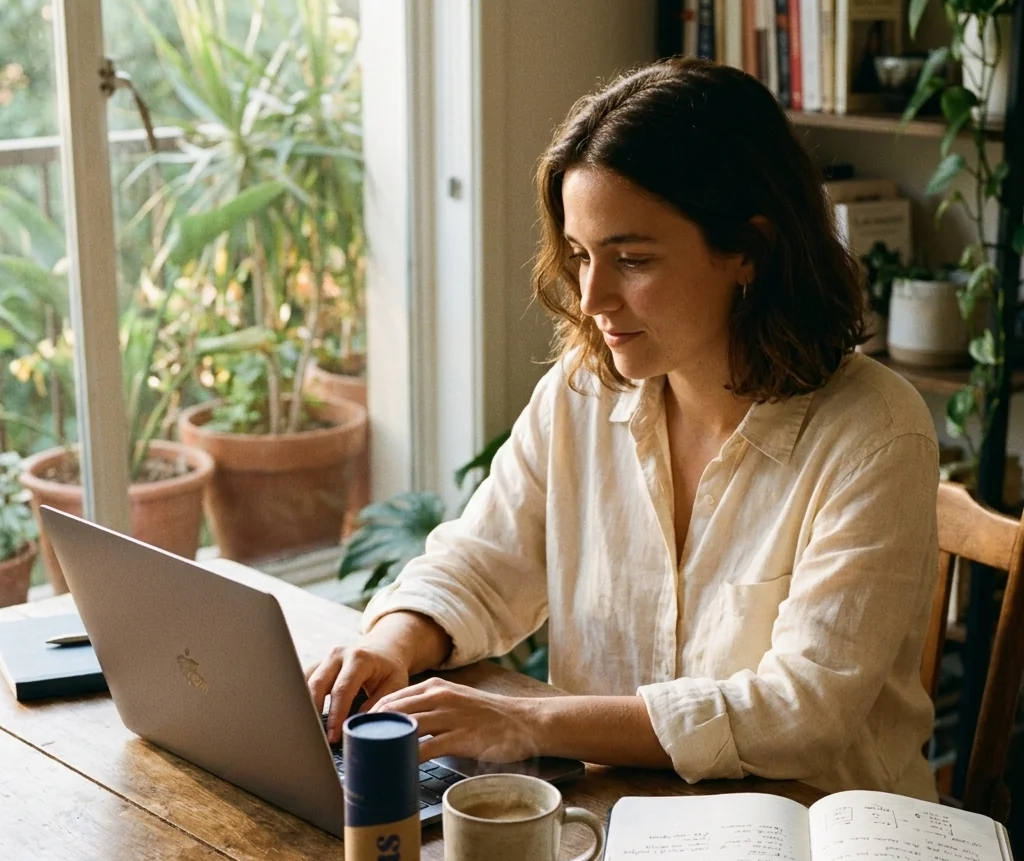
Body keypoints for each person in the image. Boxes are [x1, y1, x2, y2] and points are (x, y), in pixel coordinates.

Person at [308, 58, 939, 800]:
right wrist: (391, 641)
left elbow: (801, 712)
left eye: (631, 259)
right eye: (579, 255)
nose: (592, 295)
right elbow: (483, 563)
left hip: (818, 846)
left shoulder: (876, 434)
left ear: (750, 252)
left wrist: (525, 723)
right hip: (620, 818)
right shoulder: (579, 393)